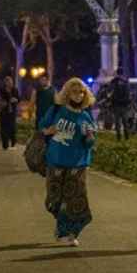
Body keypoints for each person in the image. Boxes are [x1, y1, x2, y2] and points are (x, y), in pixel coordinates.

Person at [40, 78, 97, 246]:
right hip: (56, 161)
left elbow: (90, 143)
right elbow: (42, 126)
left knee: (74, 199)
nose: (78, 95)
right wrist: (49, 130)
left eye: (81, 92)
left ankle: (69, 232)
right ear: (67, 93)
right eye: (74, 92)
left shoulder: (86, 116)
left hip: (77, 164)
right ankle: (61, 228)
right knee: (55, 199)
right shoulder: (57, 110)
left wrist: (90, 137)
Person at [110, 68, 132, 141]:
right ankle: (127, 137)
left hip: (116, 105)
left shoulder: (114, 81)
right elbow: (128, 93)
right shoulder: (126, 81)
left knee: (117, 123)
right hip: (124, 105)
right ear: (122, 73)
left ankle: (119, 138)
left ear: (117, 73)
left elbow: (111, 92)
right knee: (125, 122)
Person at [0, 76, 19, 150]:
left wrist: (15, 100)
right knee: (4, 128)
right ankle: (5, 145)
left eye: (11, 82)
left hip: (12, 111)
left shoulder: (15, 90)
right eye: (8, 82)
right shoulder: (1, 90)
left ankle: (13, 144)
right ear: (5, 82)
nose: (9, 83)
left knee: (12, 128)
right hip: (4, 111)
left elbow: (18, 98)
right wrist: (4, 101)